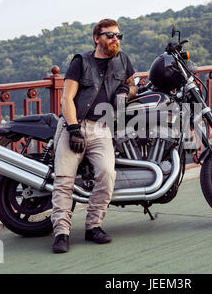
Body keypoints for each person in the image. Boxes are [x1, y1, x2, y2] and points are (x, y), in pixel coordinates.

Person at [51, 19, 137, 253]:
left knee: (108, 174)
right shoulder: (81, 62)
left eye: (119, 35)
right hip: (75, 125)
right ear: (96, 38)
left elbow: (133, 86)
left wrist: (125, 90)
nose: (115, 39)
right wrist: (72, 128)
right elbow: (67, 98)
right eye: (110, 35)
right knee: (64, 180)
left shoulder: (123, 60)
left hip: (101, 128)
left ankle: (93, 226)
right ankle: (61, 232)